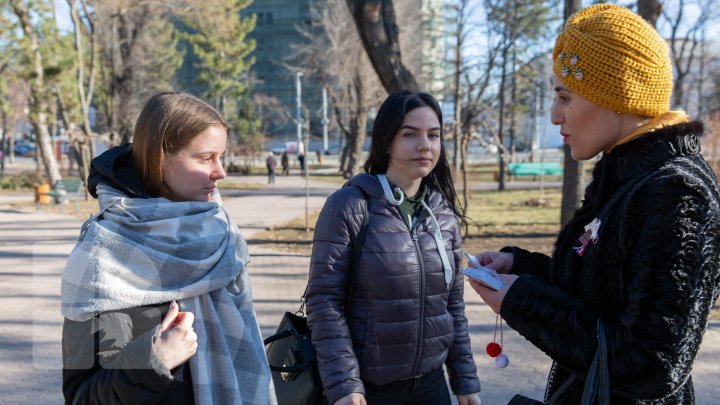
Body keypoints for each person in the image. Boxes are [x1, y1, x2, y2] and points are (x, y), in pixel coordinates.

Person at [469, 5, 720, 404]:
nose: (554, 116)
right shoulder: (629, 175)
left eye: (564, 97)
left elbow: (651, 364)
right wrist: (521, 269)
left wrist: (524, 302)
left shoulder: (674, 192)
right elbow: (605, 292)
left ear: (617, 95)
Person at [60, 92, 272, 404]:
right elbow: (83, 396)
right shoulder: (103, 254)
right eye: (204, 158)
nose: (221, 172)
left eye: (221, 157)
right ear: (161, 157)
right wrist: (154, 360)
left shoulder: (222, 234)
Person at [306, 91, 481, 405]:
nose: (425, 145)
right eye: (410, 134)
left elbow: (452, 305)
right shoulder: (349, 205)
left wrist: (465, 380)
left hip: (431, 386)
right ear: (386, 140)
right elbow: (324, 300)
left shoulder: (442, 214)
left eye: (434, 135)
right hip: (368, 389)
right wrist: (345, 385)